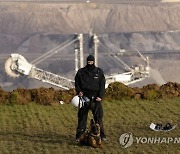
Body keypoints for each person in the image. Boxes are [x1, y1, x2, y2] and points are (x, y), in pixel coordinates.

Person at [75, 54, 106, 142]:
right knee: (82, 118)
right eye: (88, 62)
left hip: (96, 98)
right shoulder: (81, 72)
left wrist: (100, 96)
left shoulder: (99, 72)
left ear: (94, 62)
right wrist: (79, 91)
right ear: (86, 62)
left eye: (91, 62)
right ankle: (79, 136)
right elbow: (77, 83)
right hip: (84, 97)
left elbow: (102, 85)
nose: (90, 63)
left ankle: (101, 135)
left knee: (98, 118)